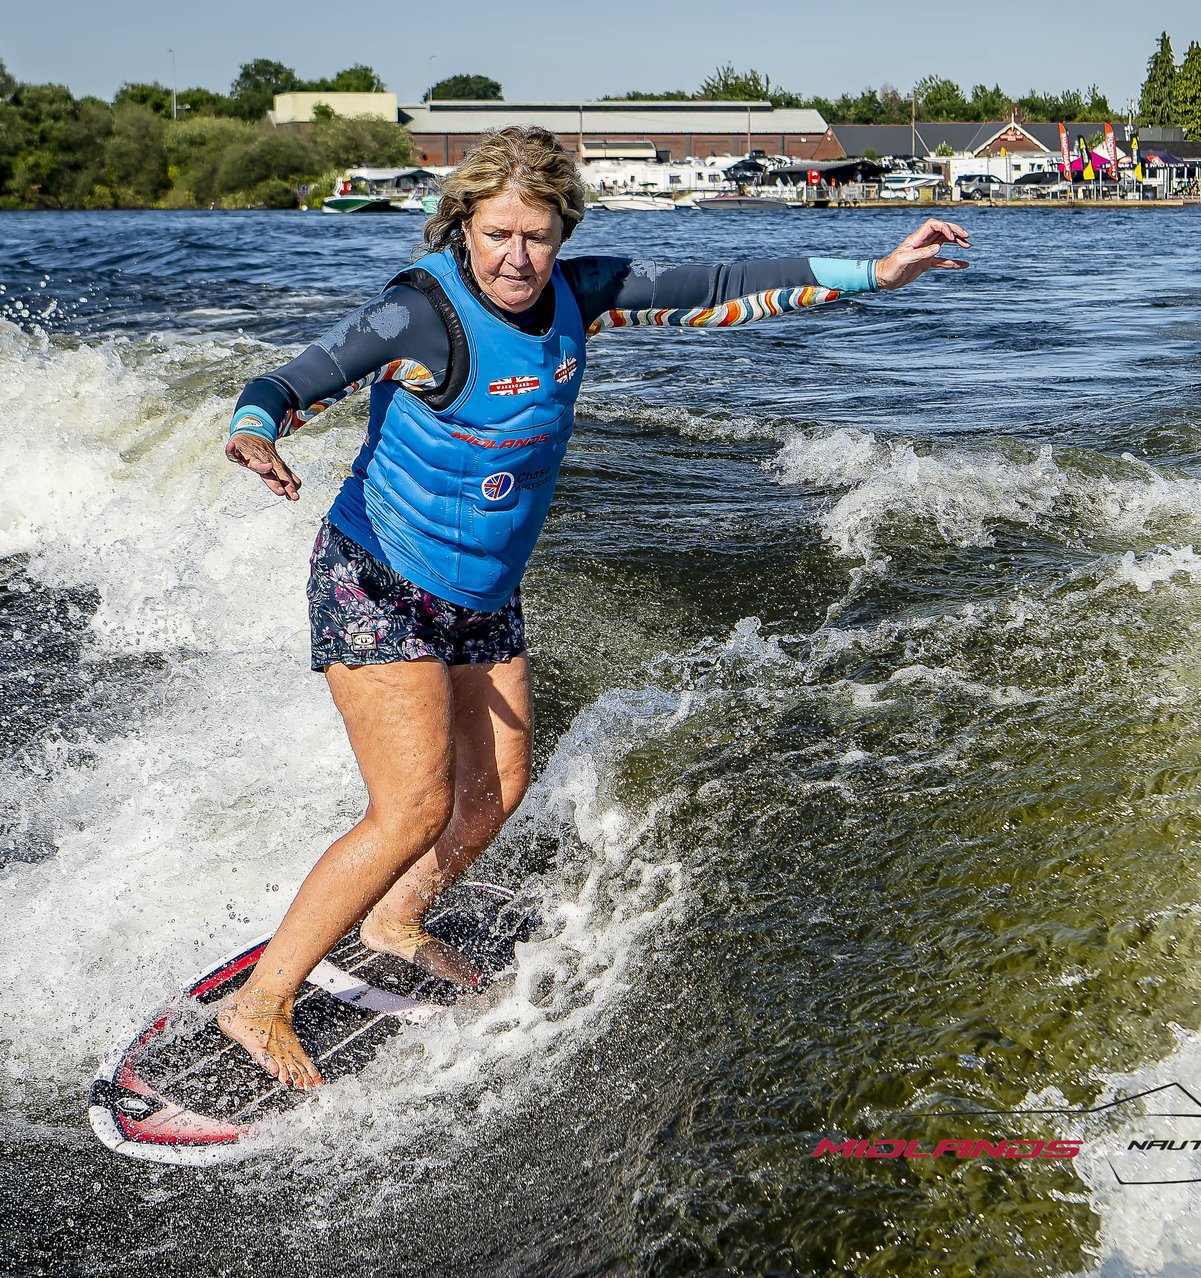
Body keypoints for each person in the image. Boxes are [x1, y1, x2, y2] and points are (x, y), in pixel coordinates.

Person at [214, 125, 970, 1088]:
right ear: (463, 226)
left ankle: (394, 920)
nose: (515, 258)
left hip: (482, 597)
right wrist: (255, 430)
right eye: (495, 235)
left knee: (496, 794)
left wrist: (875, 270)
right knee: (413, 806)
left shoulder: (580, 294)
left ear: (562, 233)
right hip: (378, 579)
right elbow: (290, 381)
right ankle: (261, 1004)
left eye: (535, 236)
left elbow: (720, 281)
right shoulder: (421, 313)